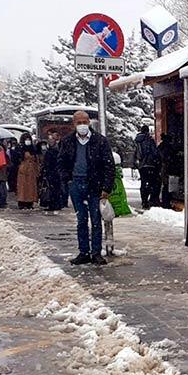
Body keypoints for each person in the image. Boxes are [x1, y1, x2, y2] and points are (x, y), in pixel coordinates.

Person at [57, 110, 115, 265]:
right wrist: (67, 180)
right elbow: (61, 162)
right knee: (81, 220)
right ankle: (84, 252)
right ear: (74, 124)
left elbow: (109, 166)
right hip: (76, 184)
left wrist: (106, 188)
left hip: (94, 185)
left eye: (85, 122)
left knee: (96, 220)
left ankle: (96, 252)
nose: (82, 125)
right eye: (79, 122)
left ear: (89, 122)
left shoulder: (100, 141)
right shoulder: (67, 141)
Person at [134, 124, 161, 209]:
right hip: (150, 165)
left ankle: (144, 201)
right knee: (152, 183)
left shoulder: (137, 141)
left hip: (141, 165)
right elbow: (155, 152)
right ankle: (150, 200)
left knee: (143, 182)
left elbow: (136, 154)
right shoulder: (149, 140)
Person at [15, 132, 41, 210]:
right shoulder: (20, 149)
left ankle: (30, 202)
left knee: (31, 188)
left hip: (32, 170)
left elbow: (37, 159)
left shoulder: (33, 148)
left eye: (29, 139)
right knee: (23, 187)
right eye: (26, 139)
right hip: (23, 170)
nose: (28, 141)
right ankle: (22, 202)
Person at [159, 133, 184, 208]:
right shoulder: (170, 147)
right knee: (169, 187)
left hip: (164, 168)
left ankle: (165, 202)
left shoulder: (161, 146)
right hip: (169, 169)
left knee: (166, 186)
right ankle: (167, 202)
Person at [40, 131, 62, 211]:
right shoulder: (53, 150)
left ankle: (54, 204)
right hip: (52, 172)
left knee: (53, 189)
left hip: (53, 172)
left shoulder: (54, 151)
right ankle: (55, 204)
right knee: (54, 189)